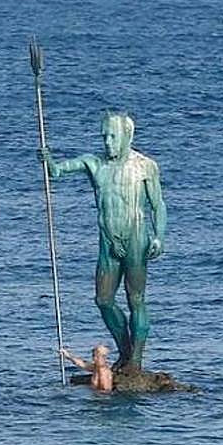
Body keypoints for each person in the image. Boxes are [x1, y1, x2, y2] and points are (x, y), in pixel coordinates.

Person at [41, 111, 167, 372]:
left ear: (127, 136)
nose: (108, 142)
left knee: (136, 299)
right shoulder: (94, 164)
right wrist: (48, 160)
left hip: (136, 239)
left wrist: (159, 236)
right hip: (108, 242)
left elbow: (158, 205)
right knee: (103, 299)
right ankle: (125, 350)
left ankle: (136, 360)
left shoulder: (145, 166)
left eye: (113, 136)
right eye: (104, 136)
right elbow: (57, 171)